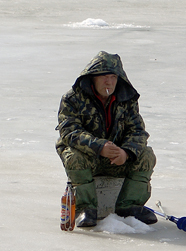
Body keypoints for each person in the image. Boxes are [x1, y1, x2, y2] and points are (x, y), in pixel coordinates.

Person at [55, 51, 157, 228]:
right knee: (73, 156)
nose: (108, 82)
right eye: (103, 77)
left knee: (146, 155)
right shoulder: (72, 99)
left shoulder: (126, 99)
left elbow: (138, 132)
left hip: (117, 160)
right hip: (89, 159)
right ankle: (85, 208)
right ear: (92, 78)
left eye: (112, 77)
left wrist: (126, 152)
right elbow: (69, 131)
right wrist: (99, 147)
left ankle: (130, 206)